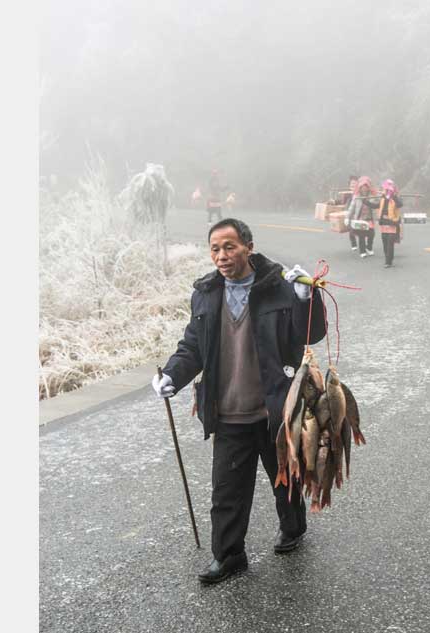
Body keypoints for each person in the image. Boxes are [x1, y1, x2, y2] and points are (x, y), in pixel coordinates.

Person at [152, 218, 327, 584]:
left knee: (285, 481)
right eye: (215, 249)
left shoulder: (278, 287)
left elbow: (311, 334)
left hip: (274, 409)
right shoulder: (205, 294)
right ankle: (230, 556)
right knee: (226, 492)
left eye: (229, 247)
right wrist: (172, 375)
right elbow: (194, 346)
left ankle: (293, 528)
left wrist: (306, 298)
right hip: (228, 411)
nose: (222, 256)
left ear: (248, 245)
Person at [345, 176, 379, 258]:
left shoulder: (372, 195)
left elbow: (377, 205)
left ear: (368, 187)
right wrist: (347, 217)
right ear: (359, 187)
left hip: (369, 219)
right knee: (361, 235)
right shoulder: (356, 196)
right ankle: (362, 251)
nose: (364, 189)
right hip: (360, 219)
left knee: (371, 234)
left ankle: (369, 247)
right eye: (362, 187)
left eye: (366, 187)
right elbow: (352, 207)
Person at [377, 179, 404, 268]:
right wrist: (366, 202)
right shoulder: (382, 198)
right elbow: (376, 206)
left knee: (390, 242)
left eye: (388, 189)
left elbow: (400, 204)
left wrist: (394, 196)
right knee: (384, 241)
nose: (387, 191)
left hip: (392, 223)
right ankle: (388, 257)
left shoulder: (396, 197)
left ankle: (388, 261)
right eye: (385, 189)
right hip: (384, 223)